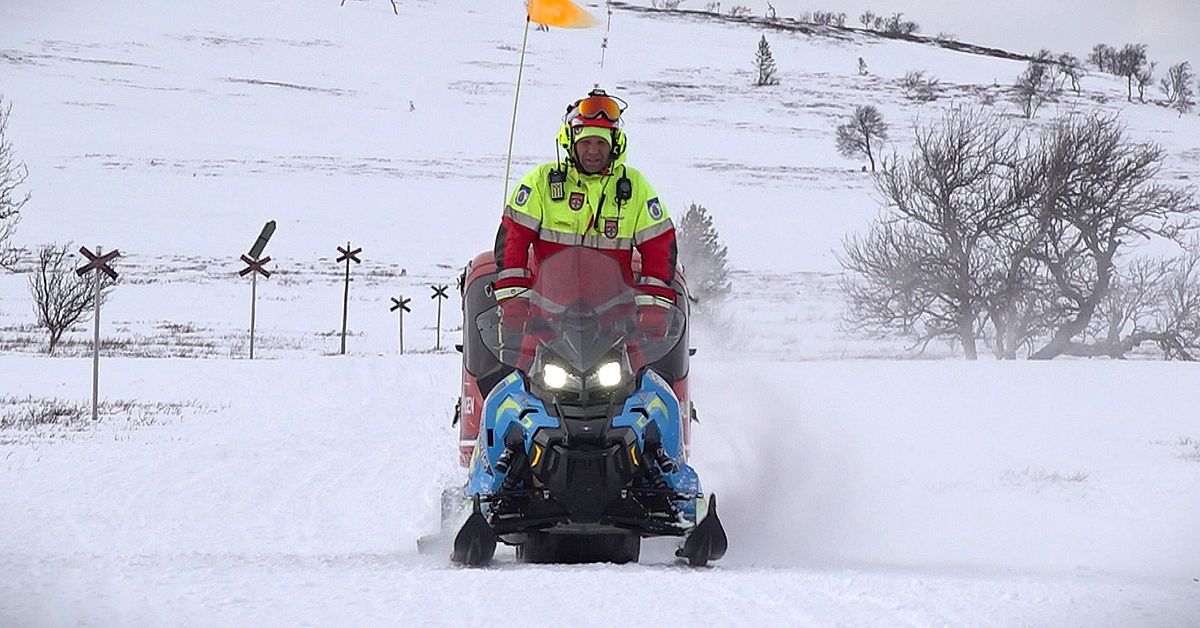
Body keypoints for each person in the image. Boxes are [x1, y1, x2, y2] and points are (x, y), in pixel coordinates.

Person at [493, 87, 678, 349]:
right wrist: (514, 302)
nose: (593, 151)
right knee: (515, 377)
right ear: (571, 142)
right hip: (547, 323)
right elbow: (513, 238)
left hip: (617, 327)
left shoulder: (634, 186)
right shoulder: (541, 183)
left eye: (601, 143)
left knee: (649, 382)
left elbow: (660, 246)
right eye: (586, 142)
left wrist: (654, 308)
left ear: (615, 145)